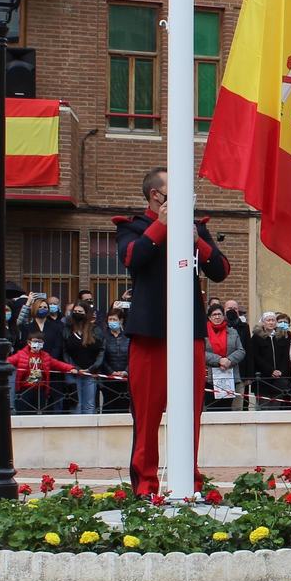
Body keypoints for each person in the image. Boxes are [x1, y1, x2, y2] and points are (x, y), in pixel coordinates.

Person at [114, 166, 231, 495]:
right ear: (156, 196)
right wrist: (160, 227)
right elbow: (132, 260)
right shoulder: (132, 227)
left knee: (191, 413)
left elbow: (221, 270)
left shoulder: (195, 227)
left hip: (190, 334)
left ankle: (189, 482)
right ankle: (146, 486)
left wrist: (198, 242)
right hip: (150, 335)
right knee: (147, 415)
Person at [9, 331, 77, 413]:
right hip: (25, 389)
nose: (37, 344)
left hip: (40, 389)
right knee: (24, 412)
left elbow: (58, 364)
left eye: (40, 342)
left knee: (40, 412)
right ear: (29, 342)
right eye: (35, 341)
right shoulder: (21, 354)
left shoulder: (45, 356)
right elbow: (8, 361)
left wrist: (71, 368)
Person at [202, 302, 247, 411]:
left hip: (229, 376)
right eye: (214, 315)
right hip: (209, 379)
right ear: (209, 317)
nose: (217, 317)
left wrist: (229, 360)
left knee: (226, 409)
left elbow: (241, 350)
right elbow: (200, 352)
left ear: (223, 316)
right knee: (211, 410)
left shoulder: (232, 332)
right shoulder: (203, 333)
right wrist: (219, 360)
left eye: (219, 314)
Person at [63, 302, 104, 414]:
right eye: (75, 312)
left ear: (86, 314)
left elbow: (101, 350)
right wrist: (74, 368)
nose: (77, 314)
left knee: (89, 405)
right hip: (73, 372)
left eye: (80, 312)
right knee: (76, 404)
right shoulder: (67, 330)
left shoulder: (95, 330)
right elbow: (65, 351)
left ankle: (89, 431)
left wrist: (92, 368)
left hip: (90, 372)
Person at [101, 300, 132, 412]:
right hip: (108, 379)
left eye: (114, 319)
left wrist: (126, 371)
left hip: (125, 378)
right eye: (110, 319)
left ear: (121, 321)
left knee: (124, 405)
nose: (112, 322)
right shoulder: (104, 337)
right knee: (109, 406)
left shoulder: (128, 337)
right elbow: (101, 357)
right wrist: (111, 372)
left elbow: (132, 356)